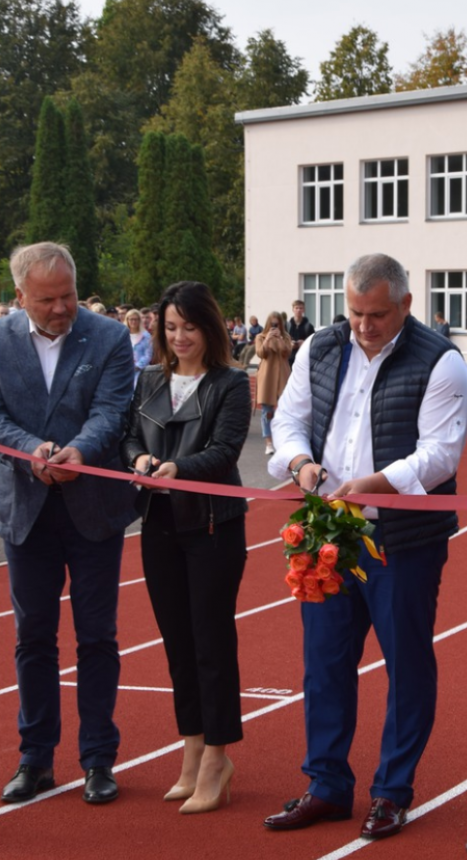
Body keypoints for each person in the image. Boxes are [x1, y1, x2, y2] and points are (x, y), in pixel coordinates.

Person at [264, 253, 467, 841]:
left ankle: (391, 791)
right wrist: (300, 461)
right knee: (324, 663)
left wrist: (377, 484)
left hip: (400, 539)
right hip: (328, 527)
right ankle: (326, 784)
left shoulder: (442, 362)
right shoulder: (321, 348)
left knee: (406, 662)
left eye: (377, 314)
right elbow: (287, 421)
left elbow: (439, 457)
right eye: (355, 313)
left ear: (405, 304)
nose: (364, 326)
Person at [0, 242, 138, 806]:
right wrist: (33, 451)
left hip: (93, 507)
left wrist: (80, 453)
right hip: (25, 508)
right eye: (47, 300)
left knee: (98, 636)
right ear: (19, 296)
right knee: (33, 637)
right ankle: (35, 758)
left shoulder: (109, 336)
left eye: (67, 294)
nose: (62, 307)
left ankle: (97, 759)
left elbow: (112, 412)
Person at [122, 282, 251, 815]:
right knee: (176, 644)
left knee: (210, 642)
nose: (179, 337)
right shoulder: (150, 378)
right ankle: (192, 747)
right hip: (159, 524)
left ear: (210, 328)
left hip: (213, 527)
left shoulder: (231, 384)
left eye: (189, 327)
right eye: (170, 327)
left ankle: (217, 757)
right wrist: (139, 462)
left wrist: (178, 469)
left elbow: (223, 451)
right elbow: (130, 436)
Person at [254, 311, 291, 457]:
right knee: (266, 412)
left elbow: (287, 353)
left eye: (277, 324)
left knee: (285, 410)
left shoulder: (286, 337)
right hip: (267, 376)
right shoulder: (260, 337)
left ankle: (282, 441)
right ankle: (268, 443)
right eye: (272, 324)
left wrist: (280, 339)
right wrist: (267, 339)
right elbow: (260, 353)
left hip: (283, 375)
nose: (274, 326)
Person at [125, 308, 152, 383]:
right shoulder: (123, 335)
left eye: (136, 319)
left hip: (141, 372)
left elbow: (148, 355)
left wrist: (137, 366)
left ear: (139, 320)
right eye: (131, 319)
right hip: (125, 371)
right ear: (127, 320)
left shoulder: (146, 336)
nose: (133, 322)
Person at [286, 299, 315, 363]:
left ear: (304, 310)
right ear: (293, 309)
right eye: (296, 308)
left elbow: (314, 342)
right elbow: (282, 341)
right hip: (289, 359)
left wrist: (304, 343)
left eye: (301, 308)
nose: (298, 310)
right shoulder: (287, 326)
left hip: (304, 358)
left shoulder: (309, 326)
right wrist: (290, 344)